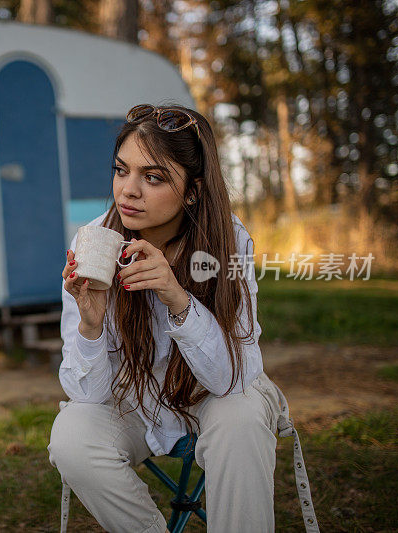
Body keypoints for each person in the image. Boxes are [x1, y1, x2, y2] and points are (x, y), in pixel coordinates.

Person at [47, 103, 287, 533]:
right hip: (138, 399)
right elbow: (88, 396)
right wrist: (91, 325)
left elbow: (231, 377)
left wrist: (178, 298)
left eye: (153, 177)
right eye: (122, 170)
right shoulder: (94, 242)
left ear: (192, 191)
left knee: (240, 416)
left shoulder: (227, 241)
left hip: (214, 395)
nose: (128, 191)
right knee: (73, 434)